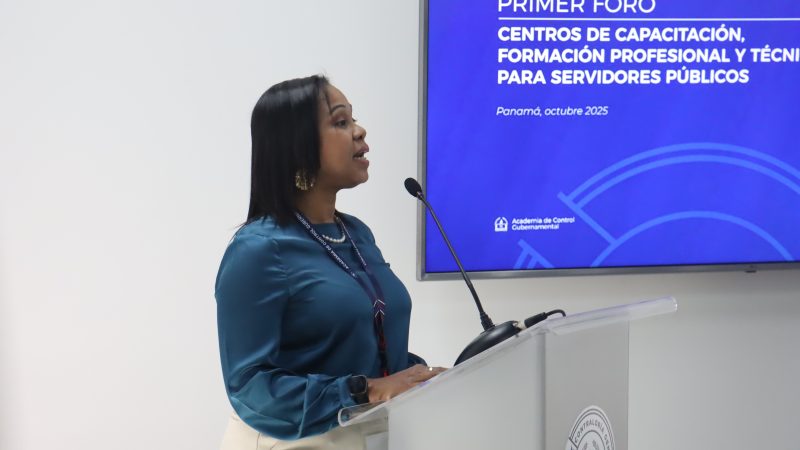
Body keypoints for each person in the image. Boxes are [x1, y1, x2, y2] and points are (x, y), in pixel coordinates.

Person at [215, 75, 445, 449]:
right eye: (340, 122)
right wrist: (364, 390)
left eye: (353, 119)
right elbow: (248, 385)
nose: (359, 131)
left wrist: (425, 376)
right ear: (297, 146)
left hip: (370, 435)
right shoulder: (258, 249)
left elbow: (366, 348)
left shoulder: (356, 234)